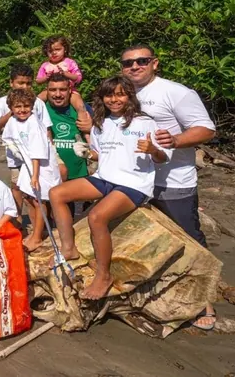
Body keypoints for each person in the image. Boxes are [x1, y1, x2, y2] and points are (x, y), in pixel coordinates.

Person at [120, 44, 217, 328]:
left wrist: (175, 140)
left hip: (174, 183)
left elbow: (206, 129)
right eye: (128, 63)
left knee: (190, 241)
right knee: (145, 239)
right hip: (136, 181)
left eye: (141, 61)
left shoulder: (176, 92)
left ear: (155, 63)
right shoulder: (123, 94)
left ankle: (204, 303)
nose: (134, 66)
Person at [49, 76, 172, 300]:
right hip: (105, 177)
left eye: (120, 94)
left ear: (129, 96)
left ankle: (103, 275)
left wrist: (153, 149)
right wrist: (87, 152)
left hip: (134, 183)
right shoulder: (101, 123)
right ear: (102, 98)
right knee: (57, 193)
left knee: (96, 216)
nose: (114, 99)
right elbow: (102, 154)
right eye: (109, 95)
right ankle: (68, 248)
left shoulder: (145, 122)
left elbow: (163, 158)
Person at [1, 88, 62, 252]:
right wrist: (14, 149)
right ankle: (37, 230)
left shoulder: (34, 123)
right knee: (28, 198)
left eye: (26, 106)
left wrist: (35, 176)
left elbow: (37, 153)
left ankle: (37, 236)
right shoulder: (13, 121)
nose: (22, 110)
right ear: (12, 108)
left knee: (39, 201)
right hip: (26, 164)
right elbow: (6, 137)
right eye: (18, 106)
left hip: (41, 166)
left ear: (32, 106)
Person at [0, 64, 54, 214]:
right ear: (11, 83)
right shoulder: (2, 103)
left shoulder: (38, 103)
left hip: (37, 156)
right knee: (17, 187)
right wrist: (12, 110)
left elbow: (46, 129)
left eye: (28, 83)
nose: (24, 86)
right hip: (15, 155)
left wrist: (51, 150)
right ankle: (18, 222)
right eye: (20, 83)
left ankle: (44, 227)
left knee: (38, 191)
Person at [45, 73, 91, 182]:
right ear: (46, 90)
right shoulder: (41, 109)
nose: (58, 94)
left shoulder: (82, 108)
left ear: (70, 90)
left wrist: (91, 128)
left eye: (62, 89)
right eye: (52, 90)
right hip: (51, 175)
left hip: (80, 173)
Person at [35, 35, 88, 119]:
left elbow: (78, 78)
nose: (54, 53)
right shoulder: (45, 65)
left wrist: (66, 74)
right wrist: (46, 77)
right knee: (36, 101)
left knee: (80, 105)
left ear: (65, 49)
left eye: (57, 49)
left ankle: (84, 124)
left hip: (70, 91)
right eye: (50, 51)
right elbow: (38, 81)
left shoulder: (69, 62)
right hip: (49, 91)